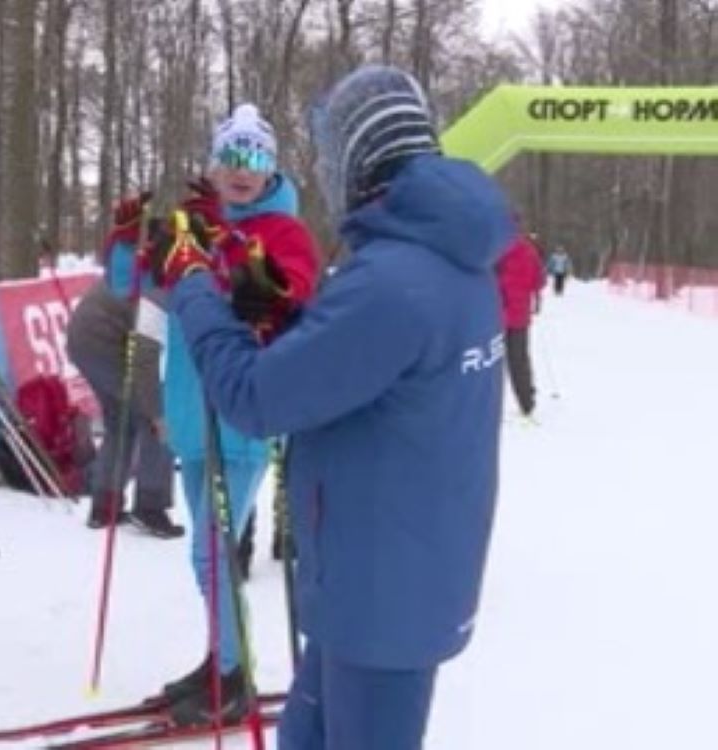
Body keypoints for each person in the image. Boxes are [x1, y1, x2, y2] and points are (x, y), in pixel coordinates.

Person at [162, 66, 514, 749]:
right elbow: (360, 372)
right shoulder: (441, 259)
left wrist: (195, 283)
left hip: (383, 594)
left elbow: (255, 398)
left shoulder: (393, 280)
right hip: (375, 573)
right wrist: (289, 323)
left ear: (357, 163)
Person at [150, 104, 319, 727]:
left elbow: (294, 289)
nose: (241, 171)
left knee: (211, 554)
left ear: (271, 167)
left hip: (242, 415)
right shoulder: (195, 222)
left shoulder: (284, 230)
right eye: (231, 157)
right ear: (213, 166)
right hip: (194, 413)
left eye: (254, 159)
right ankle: (221, 657)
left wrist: (266, 285)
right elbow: (136, 284)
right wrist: (135, 244)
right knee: (208, 553)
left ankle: (234, 672)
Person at [66, 201, 182, 539]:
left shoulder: (151, 264)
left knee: (121, 419)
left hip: (89, 339)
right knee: (156, 418)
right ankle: (151, 504)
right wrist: (158, 411)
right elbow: (147, 358)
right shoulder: (157, 280)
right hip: (102, 343)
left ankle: (106, 504)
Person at [497, 233, 546, 417]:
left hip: (496, 315)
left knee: (490, 360)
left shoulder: (495, 249)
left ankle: (488, 405)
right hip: (519, 315)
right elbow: (539, 281)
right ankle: (527, 402)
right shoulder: (529, 250)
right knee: (519, 359)